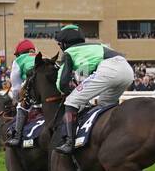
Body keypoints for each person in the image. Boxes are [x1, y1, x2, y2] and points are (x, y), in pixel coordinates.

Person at [51, 24, 133, 155]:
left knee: (71, 101)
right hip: (128, 71)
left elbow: (62, 83)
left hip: (109, 70)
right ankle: (113, 137)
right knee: (105, 104)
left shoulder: (69, 53)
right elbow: (85, 75)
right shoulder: (97, 46)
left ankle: (69, 142)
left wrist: (67, 92)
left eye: (60, 44)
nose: (60, 48)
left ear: (65, 43)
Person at [4, 38, 38, 147]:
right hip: (51, 91)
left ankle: (17, 136)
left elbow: (16, 87)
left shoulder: (18, 61)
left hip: (34, 89)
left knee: (21, 106)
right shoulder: (42, 56)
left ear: (19, 53)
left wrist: (16, 99)